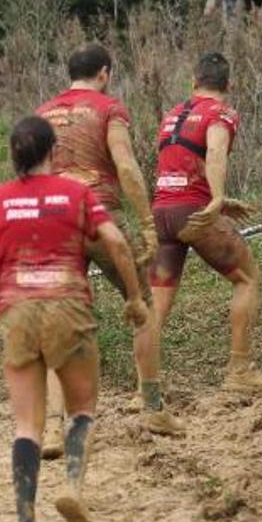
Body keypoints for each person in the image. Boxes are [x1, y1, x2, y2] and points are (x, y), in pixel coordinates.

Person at [0, 116, 148, 522]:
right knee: (81, 410)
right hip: (68, 307)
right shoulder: (77, 194)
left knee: (25, 425)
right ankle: (72, 487)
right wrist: (133, 296)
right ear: (53, 152)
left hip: (17, 311)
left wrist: (1, 300)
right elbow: (115, 242)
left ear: (13, 155)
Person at [36, 44, 183, 438]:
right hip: (99, 212)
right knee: (145, 306)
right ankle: (152, 407)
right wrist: (147, 223)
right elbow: (126, 166)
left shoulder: (42, 113)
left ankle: (52, 426)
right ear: (104, 73)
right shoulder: (109, 108)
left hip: (52, 217)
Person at [150, 52, 262, 392]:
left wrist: (217, 199)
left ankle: (143, 389)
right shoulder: (222, 113)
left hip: (162, 213)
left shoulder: (172, 115)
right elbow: (215, 152)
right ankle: (240, 371)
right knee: (247, 278)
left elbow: (180, 161)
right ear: (228, 85)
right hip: (195, 212)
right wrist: (217, 198)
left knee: (156, 308)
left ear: (194, 82)